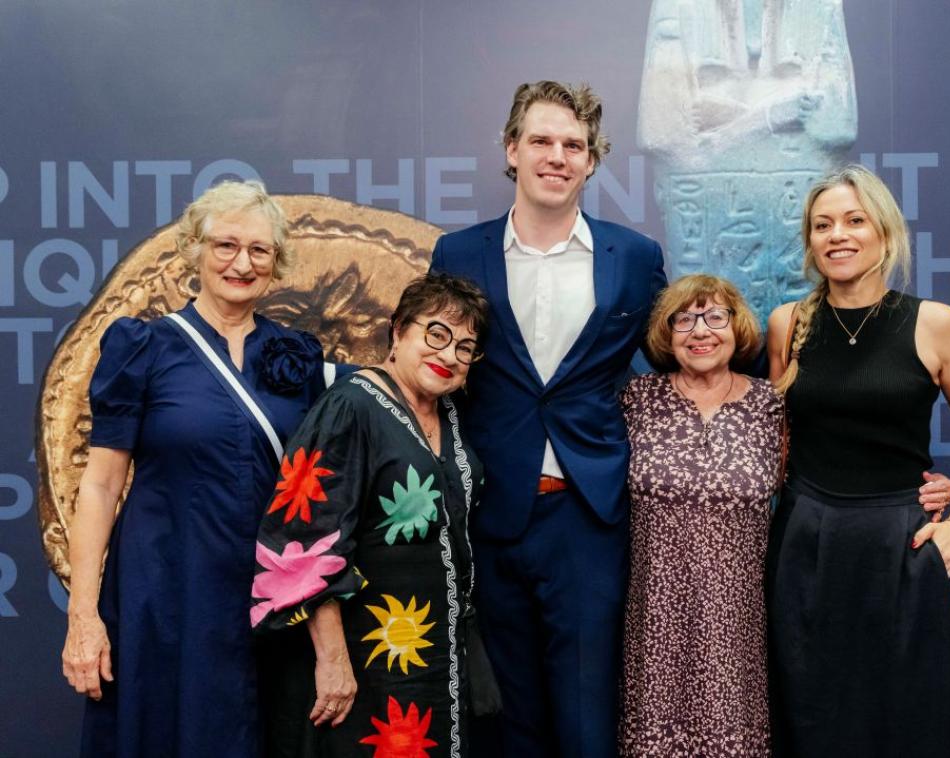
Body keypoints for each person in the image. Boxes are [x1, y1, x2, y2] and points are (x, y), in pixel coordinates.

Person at [61, 180, 343, 757]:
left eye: (259, 251)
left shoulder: (295, 357)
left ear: (277, 262)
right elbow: (100, 484)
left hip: (269, 606)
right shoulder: (144, 347)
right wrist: (83, 616)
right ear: (195, 249)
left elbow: (313, 500)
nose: (242, 263)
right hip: (165, 594)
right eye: (226, 246)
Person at [429, 80, 668, 755]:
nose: (557, 156)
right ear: (512, 149)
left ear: (592, 161)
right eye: (541, 140)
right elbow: (431, 373)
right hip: (490, 513)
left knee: (588, 720)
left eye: (574, 145)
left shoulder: (636, 260)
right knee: (506, 721)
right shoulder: (458, 255)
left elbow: (684, 364)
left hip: (588, 518)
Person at [766, 165, 950, 757]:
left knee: (910, 719)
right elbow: (774, 450)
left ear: (884, 231)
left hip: (900, 546)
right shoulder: (787, 323)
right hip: (804, 545)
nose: (837, 235)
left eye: (854, 220)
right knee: (809, 717)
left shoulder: (934, 324)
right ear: (810, 241)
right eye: (822, 225)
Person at [251, 273, 491, 757]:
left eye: (465, 347)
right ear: (398, 330)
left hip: (433, 660)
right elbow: (303, 543)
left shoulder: (447, 414)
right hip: (363, 662)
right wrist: (333, 660)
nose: (449, 356)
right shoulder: (350, 408)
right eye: (436, 334)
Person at [619, 274, 782, 756]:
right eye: (683, 319)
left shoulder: (770, 405)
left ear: (738, 328)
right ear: (667, 335)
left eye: (715, 316)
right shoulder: (636, 400)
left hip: (740, 622)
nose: (700, 330)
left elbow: (823, 476)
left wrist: (923, 489)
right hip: (655, 615)